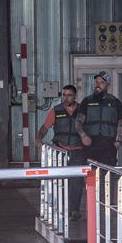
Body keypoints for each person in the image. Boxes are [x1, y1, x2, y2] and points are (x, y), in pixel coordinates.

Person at [37, 84, 85, 219]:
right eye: (64, 95)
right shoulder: (56, 111)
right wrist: (39, 139)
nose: (66, 97)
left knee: (76, 182)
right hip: (60, 151)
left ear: (75, 96)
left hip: (78, 151)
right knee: (59, 180)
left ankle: (74, 210)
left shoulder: (83, 110)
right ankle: (60, 208)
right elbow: (45, 127)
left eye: (69, 95)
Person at [75, 71, 122, 168]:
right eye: (96, 82)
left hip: (108, 144)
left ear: (108, 85)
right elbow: (78, 122)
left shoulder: (115, 102)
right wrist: (83, 135)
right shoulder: (86, 101)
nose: (98, 85)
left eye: (101, 83)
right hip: (90, 143)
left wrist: (118, 141)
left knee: (107, 174)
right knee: (90, 174)